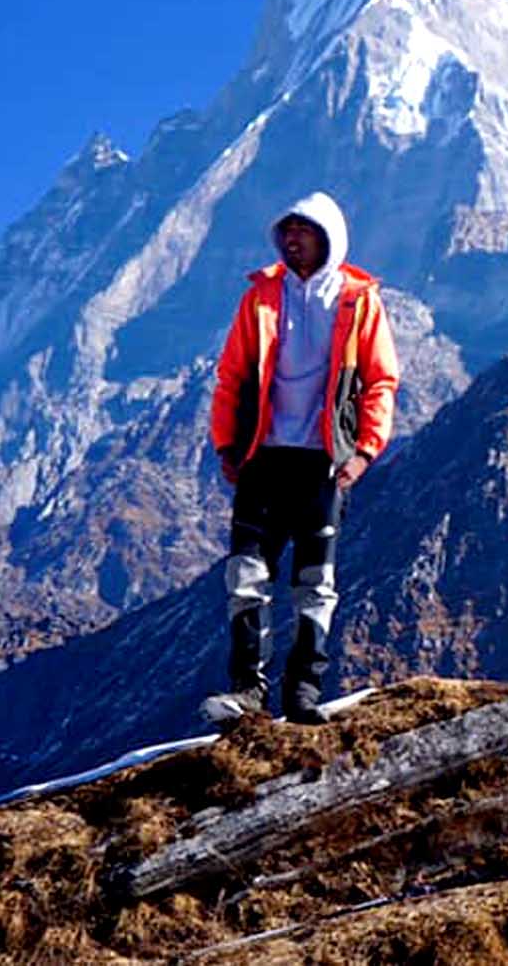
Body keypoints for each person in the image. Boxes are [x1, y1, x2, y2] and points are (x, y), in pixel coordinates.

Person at [205, 191, 399, 725]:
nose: (292, 240)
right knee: (246, 575)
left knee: (315, 583)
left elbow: (380, 380)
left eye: (304, 231)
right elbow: (233, 375)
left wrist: (363, 452)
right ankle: (247, 692)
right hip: (263, 458)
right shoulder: (261, 297)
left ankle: (304, 692)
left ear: (328, 238)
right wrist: (227, 445)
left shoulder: (360, 303)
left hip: (323, 463)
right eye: (287, 231)